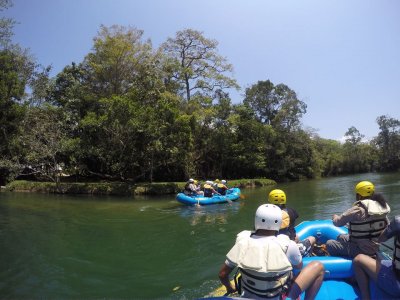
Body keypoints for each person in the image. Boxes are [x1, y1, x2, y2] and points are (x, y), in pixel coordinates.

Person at [218, 204, 324, 300]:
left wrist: (230, 288)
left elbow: (222, 274)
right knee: (317, 266)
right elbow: (298, 266)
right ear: (279, 222)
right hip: (277, 297)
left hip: (247, 295)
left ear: (256, 220)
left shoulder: (242, 241)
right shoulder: (288, 245)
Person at [326, 180, 390, 258]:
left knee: (329, 244)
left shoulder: (357, 210)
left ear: (359, 196)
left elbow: (338, 223)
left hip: (360, 250)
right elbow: (387, 228)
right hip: (374, 247)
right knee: (341, 237)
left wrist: (334, 217)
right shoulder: (381, 210)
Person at [353, 215, 400, 299]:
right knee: (377, 258)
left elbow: (381, 238)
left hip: (396, 284)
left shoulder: (398, 222)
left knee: (358, 260)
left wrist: (389, 226)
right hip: (394, 269)